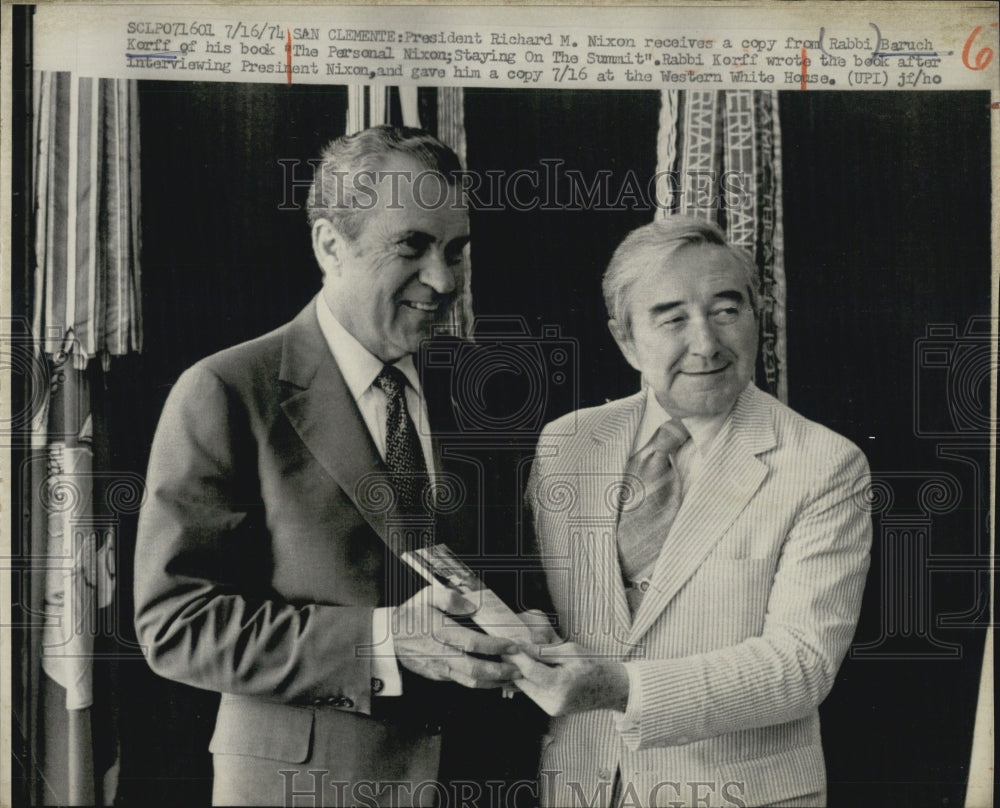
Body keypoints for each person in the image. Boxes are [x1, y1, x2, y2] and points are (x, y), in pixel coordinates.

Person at [134, 125, 547, 807]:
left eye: (456, 250)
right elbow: (175, 624)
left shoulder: (482, 388)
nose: (442, 280)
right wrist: (381, 641)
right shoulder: (228, 389)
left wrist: (528, 626)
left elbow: (504, 578)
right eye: (411, 245)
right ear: (330, 244)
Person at [512, 216, 872, 808]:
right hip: (578, 787)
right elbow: (556, 607)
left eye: (727, 310)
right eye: (672, 317)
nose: (706, 343)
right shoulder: (566, 444)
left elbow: (801, 665)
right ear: (625, 338)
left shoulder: (826, 464)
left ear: (759, 317)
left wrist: (622, 687)